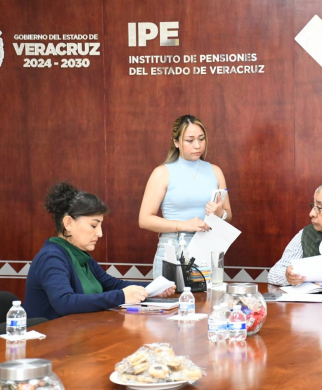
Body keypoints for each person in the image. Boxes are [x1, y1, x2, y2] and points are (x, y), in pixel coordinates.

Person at [24, 182, 175, 321]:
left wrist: (152, 289)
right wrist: (122, 296)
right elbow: (65, 302)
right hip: (50, 338)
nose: (100, 233)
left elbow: (112, 284)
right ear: (68, 223)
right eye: (93, 226)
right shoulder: (51, 257)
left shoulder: (81, 256)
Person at [139, 115, 232, 278]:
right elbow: (144, 220)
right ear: (176, 142)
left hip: (208, 249)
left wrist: (220, 213)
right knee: (172, 295)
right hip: (173, 249)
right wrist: (185, 225)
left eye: (201, 139)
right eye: (190, 140)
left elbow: (228, 215)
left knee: (208, 295)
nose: (197, 145)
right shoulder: (162, 173)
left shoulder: (215, 171)